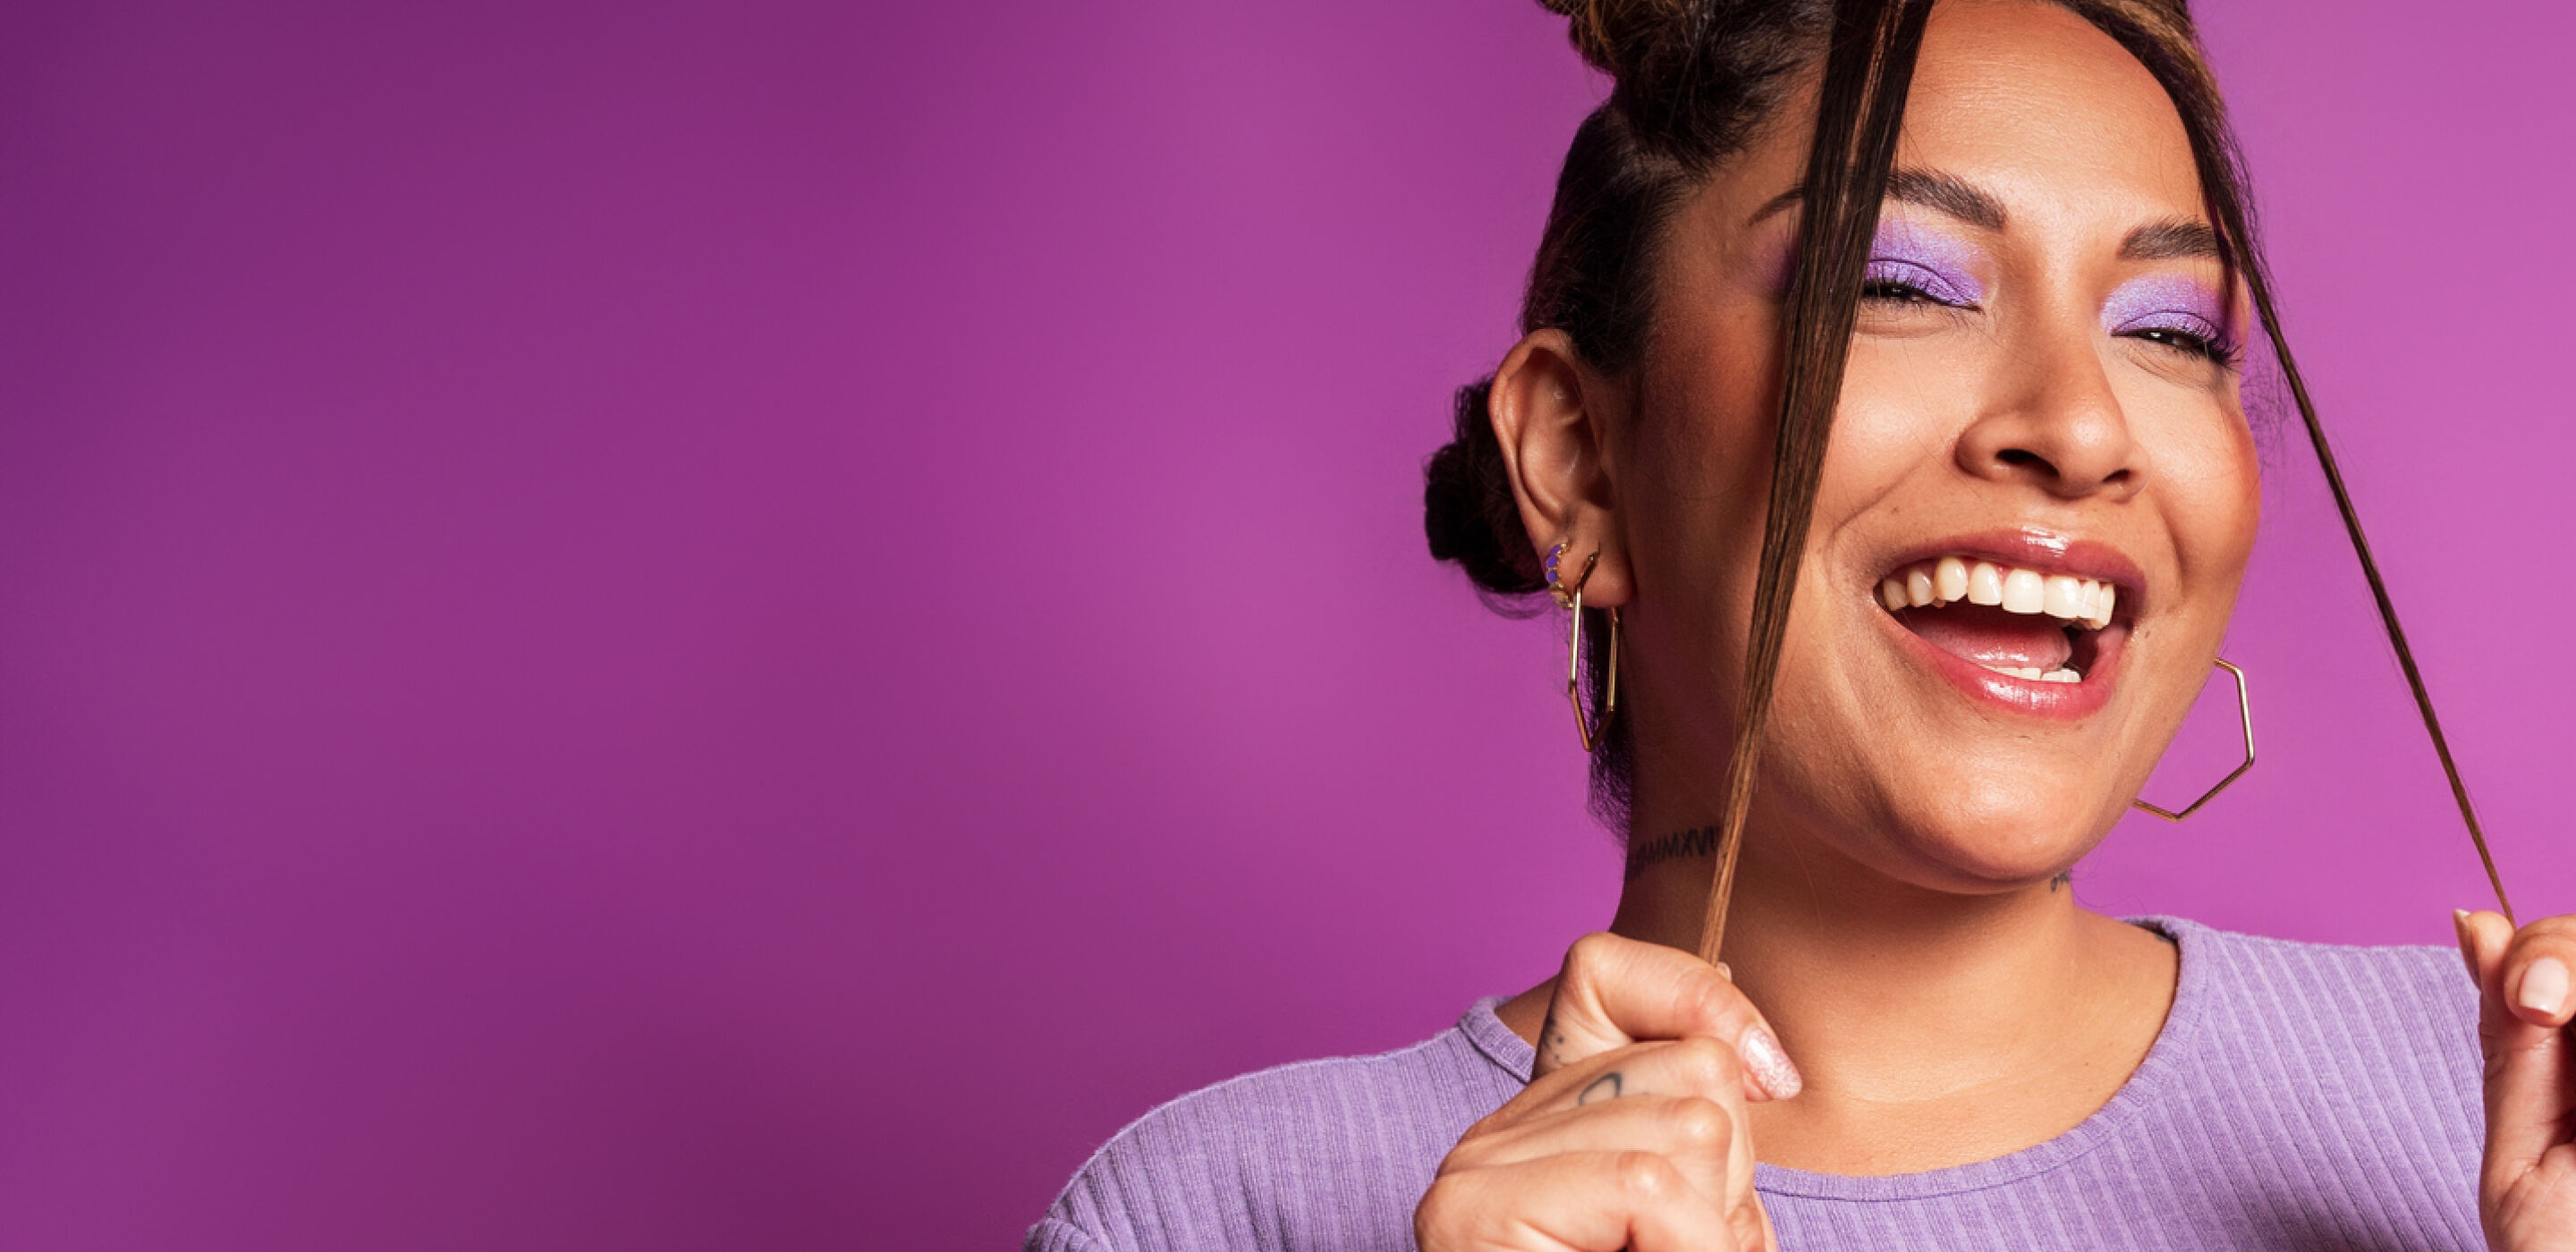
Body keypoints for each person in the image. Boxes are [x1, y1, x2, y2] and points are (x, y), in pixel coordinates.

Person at [1025, 1, 2576, 1248]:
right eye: (1897, 284)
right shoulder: (1220, 1213)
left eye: (2170, 329)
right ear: (1576, 462)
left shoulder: (2504, 1100)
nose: (2081, 429)